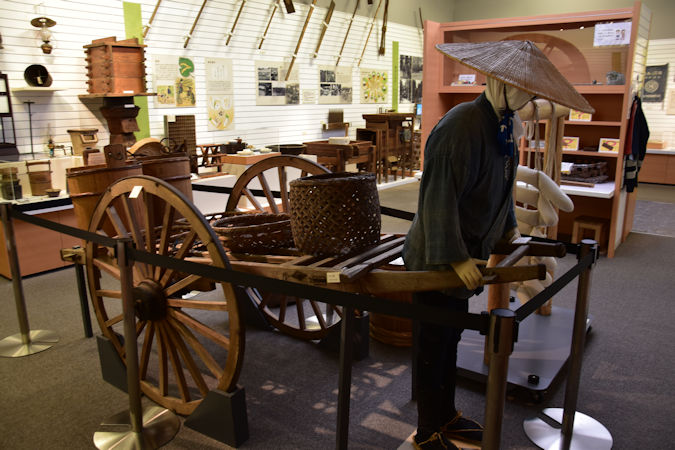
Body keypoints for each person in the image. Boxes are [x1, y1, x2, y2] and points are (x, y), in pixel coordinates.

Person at [402, 40, 594, 450]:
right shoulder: (460, 126)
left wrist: (507, 231)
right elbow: (437, 198)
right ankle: (428, 430)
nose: (527, 97)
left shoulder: (503, 126)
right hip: (436, 257)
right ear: (497, 83)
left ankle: (446, 415)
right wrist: (455, 259)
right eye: (521, 88)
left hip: (467, 253)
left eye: (531, 91)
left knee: (451, 339)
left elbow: (503, 188)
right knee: (433, 344)